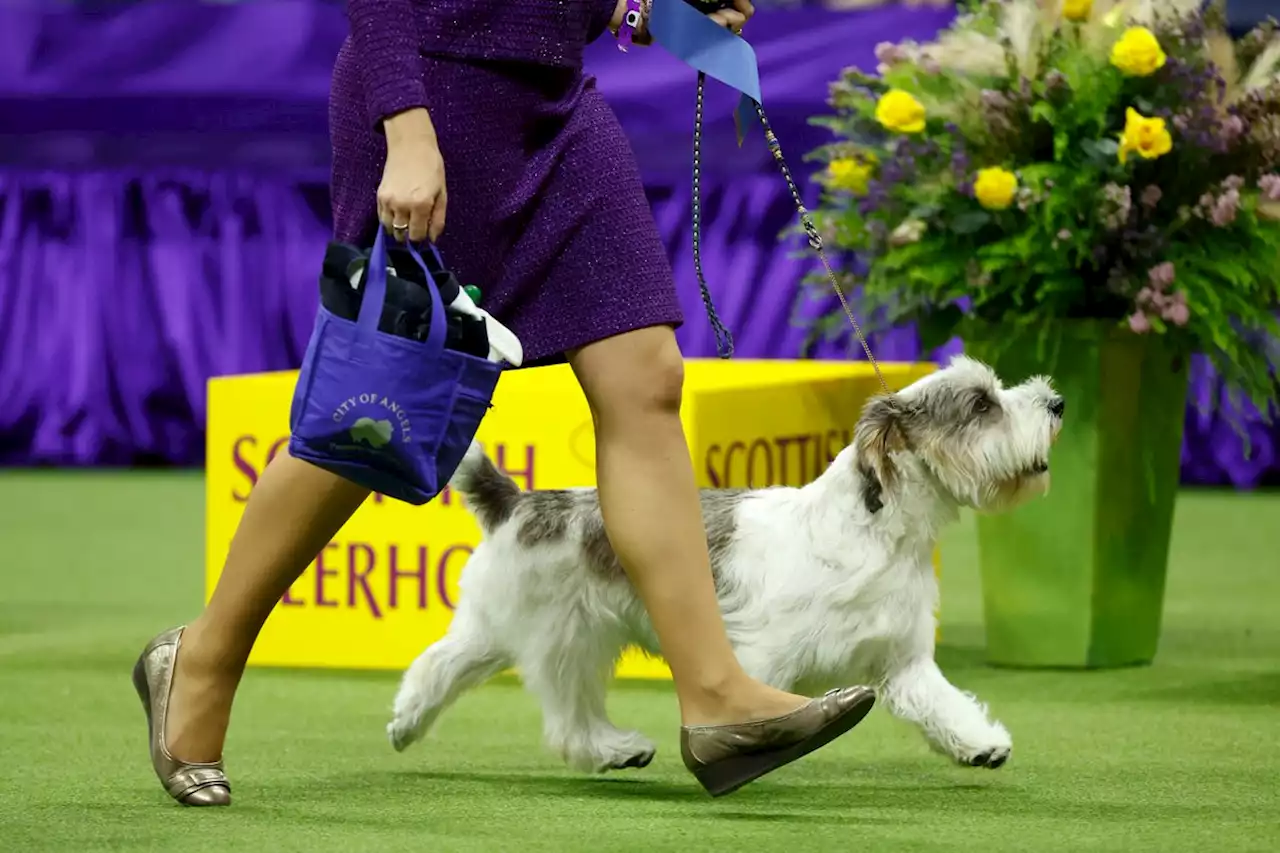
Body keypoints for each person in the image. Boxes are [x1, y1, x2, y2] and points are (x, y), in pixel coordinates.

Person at [132, 0, 875, 807]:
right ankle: (202, 658)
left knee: (647, 376)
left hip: (556, 104)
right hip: (430, 95)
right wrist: (406, 130)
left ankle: (716, 694)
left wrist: (643, 5)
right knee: (372, 422)